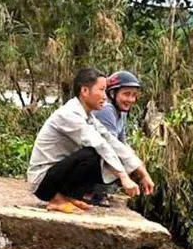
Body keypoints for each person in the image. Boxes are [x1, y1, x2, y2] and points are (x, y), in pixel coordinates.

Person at [27, 67, 156, 214]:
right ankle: (56, 200)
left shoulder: (89, 116)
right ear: (85, 91)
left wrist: (143, 173)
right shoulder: (69, 114)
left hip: (54, 177)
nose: (105, 97)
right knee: (92, 154)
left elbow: (112, 142)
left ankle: (66, 196)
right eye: (101, 90)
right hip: (42, 182)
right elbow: (100, 144)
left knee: (106, 152)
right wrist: (123, 177)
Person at [92, 70, 142, 143]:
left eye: (134, 95)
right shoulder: (106, 109)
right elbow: (112, 146)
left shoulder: (122, 111)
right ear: (112, 94)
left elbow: (122, 143)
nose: (131, 99)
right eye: (126, 94)